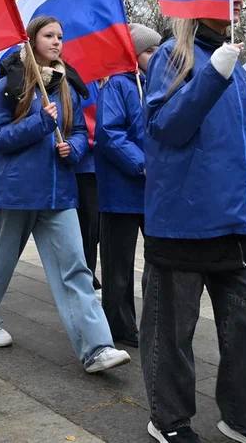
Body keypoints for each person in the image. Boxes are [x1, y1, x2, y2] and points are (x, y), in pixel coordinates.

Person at [142, 0, 246, 443]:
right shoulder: (171, 56)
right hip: (184, 221)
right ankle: (170, 419)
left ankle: (244, 417)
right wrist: (213, 76)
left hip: (237, 222)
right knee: (172, 331)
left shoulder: (234, 64)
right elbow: (166, 128)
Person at [0, 16, 130, 375]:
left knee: (76, 267)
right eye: (49, 35)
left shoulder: (67, 86)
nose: (57, 41)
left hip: (59, 192)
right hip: (18, 191)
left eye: (60, 36)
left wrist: (72, 149)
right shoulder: (9, 86)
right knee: (0, 262)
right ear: (31, 40)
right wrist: (39, 122)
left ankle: (96, 347)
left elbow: (75, 132)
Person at [95, 22, 160, 348]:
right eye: (149, 50)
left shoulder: (155, 84)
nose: (156, 55)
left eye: (157, 49)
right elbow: (110, 133)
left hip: (151, 191)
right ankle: (120, 326)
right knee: (118, 265)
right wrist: (141, 164)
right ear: (133, 54)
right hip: (121, 190)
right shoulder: (118, 85)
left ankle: (154, 321)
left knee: (160, 261)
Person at [75, 82, 102, 293]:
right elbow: (84, 127)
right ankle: (86, 272)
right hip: (87, 166)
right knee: (89, 224)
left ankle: (87, 270)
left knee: (97, 226)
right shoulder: (86, 82)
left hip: (105, 166)